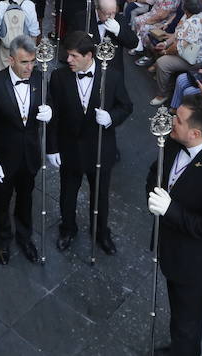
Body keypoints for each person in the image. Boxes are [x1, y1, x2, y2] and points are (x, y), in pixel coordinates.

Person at [146, 95, 202, 356]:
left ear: (195, 132)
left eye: (178, 120)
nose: (171, 122)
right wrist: (153, 197)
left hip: (194, 263)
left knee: (187, 323)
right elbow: (156, 172)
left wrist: (170, 210)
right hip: (172, 246)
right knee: (178, 315)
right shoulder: (176, 142)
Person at [47, 32, 133, 254]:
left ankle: (101, 232)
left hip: (99, 148)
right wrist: (52, 148)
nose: (69, 60)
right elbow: (53, 114)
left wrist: (111, 118)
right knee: (67, 193)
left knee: (100, 195)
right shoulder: (58, 77)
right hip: (70, 148)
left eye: (74, 56)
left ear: (89, 55)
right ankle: (67, 229)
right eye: (68, 55)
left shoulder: (111, 77)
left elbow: (126, 106)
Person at [0, 36, 49, 265]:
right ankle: (3, 239)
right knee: (1, 200)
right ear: (11, 60)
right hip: (3, 158)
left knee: (26, 198)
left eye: (32, 62)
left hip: (29, 155)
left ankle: (25, 236)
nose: (29, 67)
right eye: (24, 62)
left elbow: (48, 106)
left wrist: (51, 112)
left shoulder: (39, 78)